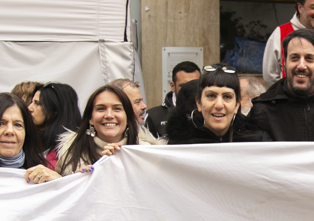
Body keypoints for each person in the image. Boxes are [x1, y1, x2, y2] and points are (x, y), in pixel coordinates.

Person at [30, 85, 163, 182]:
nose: (109, 115)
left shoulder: (148, 153)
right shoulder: (70, 155)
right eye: (101, 109)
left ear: (128, 117)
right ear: (90, 119)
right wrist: (71, 182)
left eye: (117, 109)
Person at [165, 68, 271, 145]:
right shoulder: (180, 143)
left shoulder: (257, 141)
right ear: (198, 103)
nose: (219, 105)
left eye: (227, 97)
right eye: (211, 96)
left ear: (236, 105)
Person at [27, 82, 81, 168]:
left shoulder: (74, 150)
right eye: (31, 102)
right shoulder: (27, 140)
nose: (29, 108)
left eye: (37, 104)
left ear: (55, 110)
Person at [145, 62, 200, 138]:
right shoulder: (154, 116)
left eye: (194, 85)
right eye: (183, 86)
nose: (189, 90)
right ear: (172, 86)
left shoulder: (209, 114)